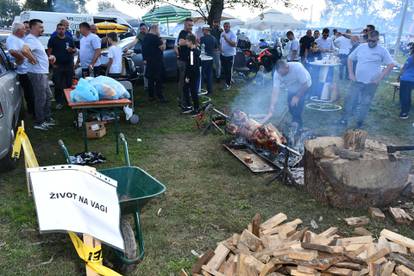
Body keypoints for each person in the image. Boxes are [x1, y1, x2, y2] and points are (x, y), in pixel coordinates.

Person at [340, 31, 395, 128]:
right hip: (357, 81)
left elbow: (391, 64)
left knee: (365, 103)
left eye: (373, 41)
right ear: (367, 39)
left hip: (371, 83)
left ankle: (359, 123)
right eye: (369, 40)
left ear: (377, 40)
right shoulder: (361, 47)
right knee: (350, 100)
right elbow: (350, 58)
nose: (371, 43)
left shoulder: (382, 50)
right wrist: (351, 73)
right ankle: (344, 119)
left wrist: (380, 77)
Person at [22, 19, 56, 131]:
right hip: (37, 74)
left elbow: (36, 53)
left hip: (42, 73)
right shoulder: (30, 39)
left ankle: (46, 118)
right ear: (32, 28)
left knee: (47, 96)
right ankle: (39, 122)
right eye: (40, 27)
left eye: (42, 27)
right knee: (41, 98)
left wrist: (48, 58)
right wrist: (33, 59)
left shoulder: (35, 39)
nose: (43, 29)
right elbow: (25, 50)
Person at [262, 60, 311, 128]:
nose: (280, 75)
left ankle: (297, 125)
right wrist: (272, 105)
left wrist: (297, 97)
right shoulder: (277, 74)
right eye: (279, 73)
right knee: (290, 105)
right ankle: (295, 120)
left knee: (298, 105)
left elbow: (305, 85)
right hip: (292, 88)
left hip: (303, 86)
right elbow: (275, 91)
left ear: (287, 67)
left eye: (282, 73)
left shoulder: (297, 68)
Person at [6, 23, 35, 117]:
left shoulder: (18, 39)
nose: (25, 30)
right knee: (29, 92)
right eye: (23, 29)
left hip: (26, 70)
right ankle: (32, 111)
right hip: (23, 71)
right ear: (18, 30)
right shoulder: (12, 38)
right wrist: (21, 58)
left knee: (30, 91)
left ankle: (32, 109)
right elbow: (12, 51)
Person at [47, 23, 76, 109]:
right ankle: (59, 102)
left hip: (68, 65)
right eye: (59, 29)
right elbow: (49, 52)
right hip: (57, 65)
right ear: (56, 29)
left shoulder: (69, 39)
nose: (61, 30)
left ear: (65, 30)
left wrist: (72, 50)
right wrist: (52, 64)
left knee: (69, 84)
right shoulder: (53, 39)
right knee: (58, 84)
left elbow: (74, 49)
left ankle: (68, 101)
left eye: (63, 29)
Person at [142, 24, 166, 102]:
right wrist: (163, 41)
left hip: (149, 61)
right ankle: (160, 97)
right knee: (158, 79)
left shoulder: (146, 37)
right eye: (158, 29)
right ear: (155, 29)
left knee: (151, 80)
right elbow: (162, 48)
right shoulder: (156, 38)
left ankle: (151, 96)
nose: (159, 30)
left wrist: (145, 58)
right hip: (157, 61)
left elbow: (143, 49)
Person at [175, 18, 193, 108]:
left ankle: (186, 99)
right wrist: (190, 41)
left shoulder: (189, 33)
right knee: (182, 82)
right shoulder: (183, 32)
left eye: (192, 25)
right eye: (189, 25)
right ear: (185, 25)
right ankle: (182, 102)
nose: (191, 27)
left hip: (189, 60)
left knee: (187, 81)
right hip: (183, 61)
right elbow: (180, 42)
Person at [182, 34, 201, 114]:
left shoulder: (192, 53)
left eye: (187, 42)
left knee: (193, 92)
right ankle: (189, 105)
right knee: (185, 89)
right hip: (193, 74)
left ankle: (196, 108)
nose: (186, 43)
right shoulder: (192, 50)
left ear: (191, 42)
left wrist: (188, 77)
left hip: (193, 75)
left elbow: (192, 66)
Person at [200, 25, 218, 95]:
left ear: (206, 30)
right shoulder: (214, 38)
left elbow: (201, 48)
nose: (202, 31)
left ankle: (200, 89)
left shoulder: (202, 38)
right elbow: (216, 48)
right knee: (209, 74)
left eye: (203, 30)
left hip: (203, 58)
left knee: (201, 74)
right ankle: (210, 91)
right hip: (211, 58)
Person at [397, 44, 414, 119]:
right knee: (407, 95)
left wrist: (399, 76)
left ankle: (404, 112)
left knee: (404, 96)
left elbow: (404, 68)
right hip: (411, 80)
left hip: (406, 79)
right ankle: (407, 109)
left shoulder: (411, 58)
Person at [220, 21, 237, 90]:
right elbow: (221, 43)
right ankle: (228, 81)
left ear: (230, 27)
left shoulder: (233, 34)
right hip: (223, 54)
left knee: (229, 70)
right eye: (224, 26)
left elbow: (234, 44)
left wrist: (226, 38)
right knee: (224, 69)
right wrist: (220, 49)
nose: (225, 28)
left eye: (227, 26)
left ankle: (228, 85)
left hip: (230, 55)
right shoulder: (222, 33)